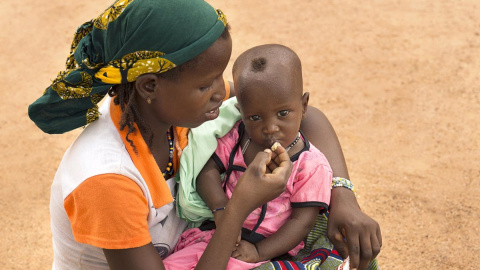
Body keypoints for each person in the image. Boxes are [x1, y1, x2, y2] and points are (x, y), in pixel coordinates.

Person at [27, 0, 381, 269]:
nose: (221, 92)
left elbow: (308, 118)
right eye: (205, 83)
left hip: (201, 246)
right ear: (150, 84)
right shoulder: (106, 180)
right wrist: (238, 205)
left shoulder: (169, 109)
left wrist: (343, 194)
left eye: (220, 76)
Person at [163, 44, 333, 269]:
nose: (270, 128)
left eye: (283, 114)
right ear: (240, 111)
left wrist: (259, 251)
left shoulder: (311, 165)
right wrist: (221, 209)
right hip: (217, 235)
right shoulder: (237, 138)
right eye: (254, 117)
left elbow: (301, 222)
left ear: (303, 106)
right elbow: (208, 172)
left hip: (265, 249)